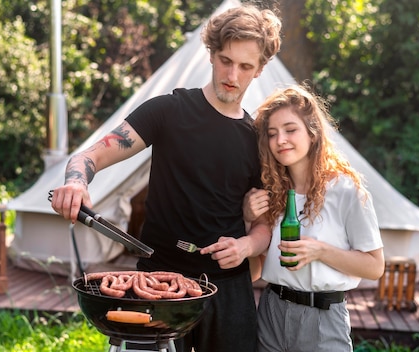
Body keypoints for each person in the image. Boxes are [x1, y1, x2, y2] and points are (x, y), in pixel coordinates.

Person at [50, 4, 282, 352]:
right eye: (225, 60)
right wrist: (76, 182)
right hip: (156, 283)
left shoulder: (257, 139)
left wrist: (246, 246)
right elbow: (90, 155)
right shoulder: (168, 111)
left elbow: (264, 225)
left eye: (245, 66)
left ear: (260, 69)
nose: (232, 74)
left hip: (228, 290)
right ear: (211, 54)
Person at [244, 85, 385, 351]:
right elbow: (254, 272)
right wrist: (248, 221)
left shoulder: (346, 190)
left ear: (313, 132)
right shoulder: (272, 192)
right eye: (272, 134)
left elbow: (375, 267)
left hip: (321, 319)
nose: (280, 140)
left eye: (290, 129)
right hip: (270, 312)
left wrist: (319, 251)